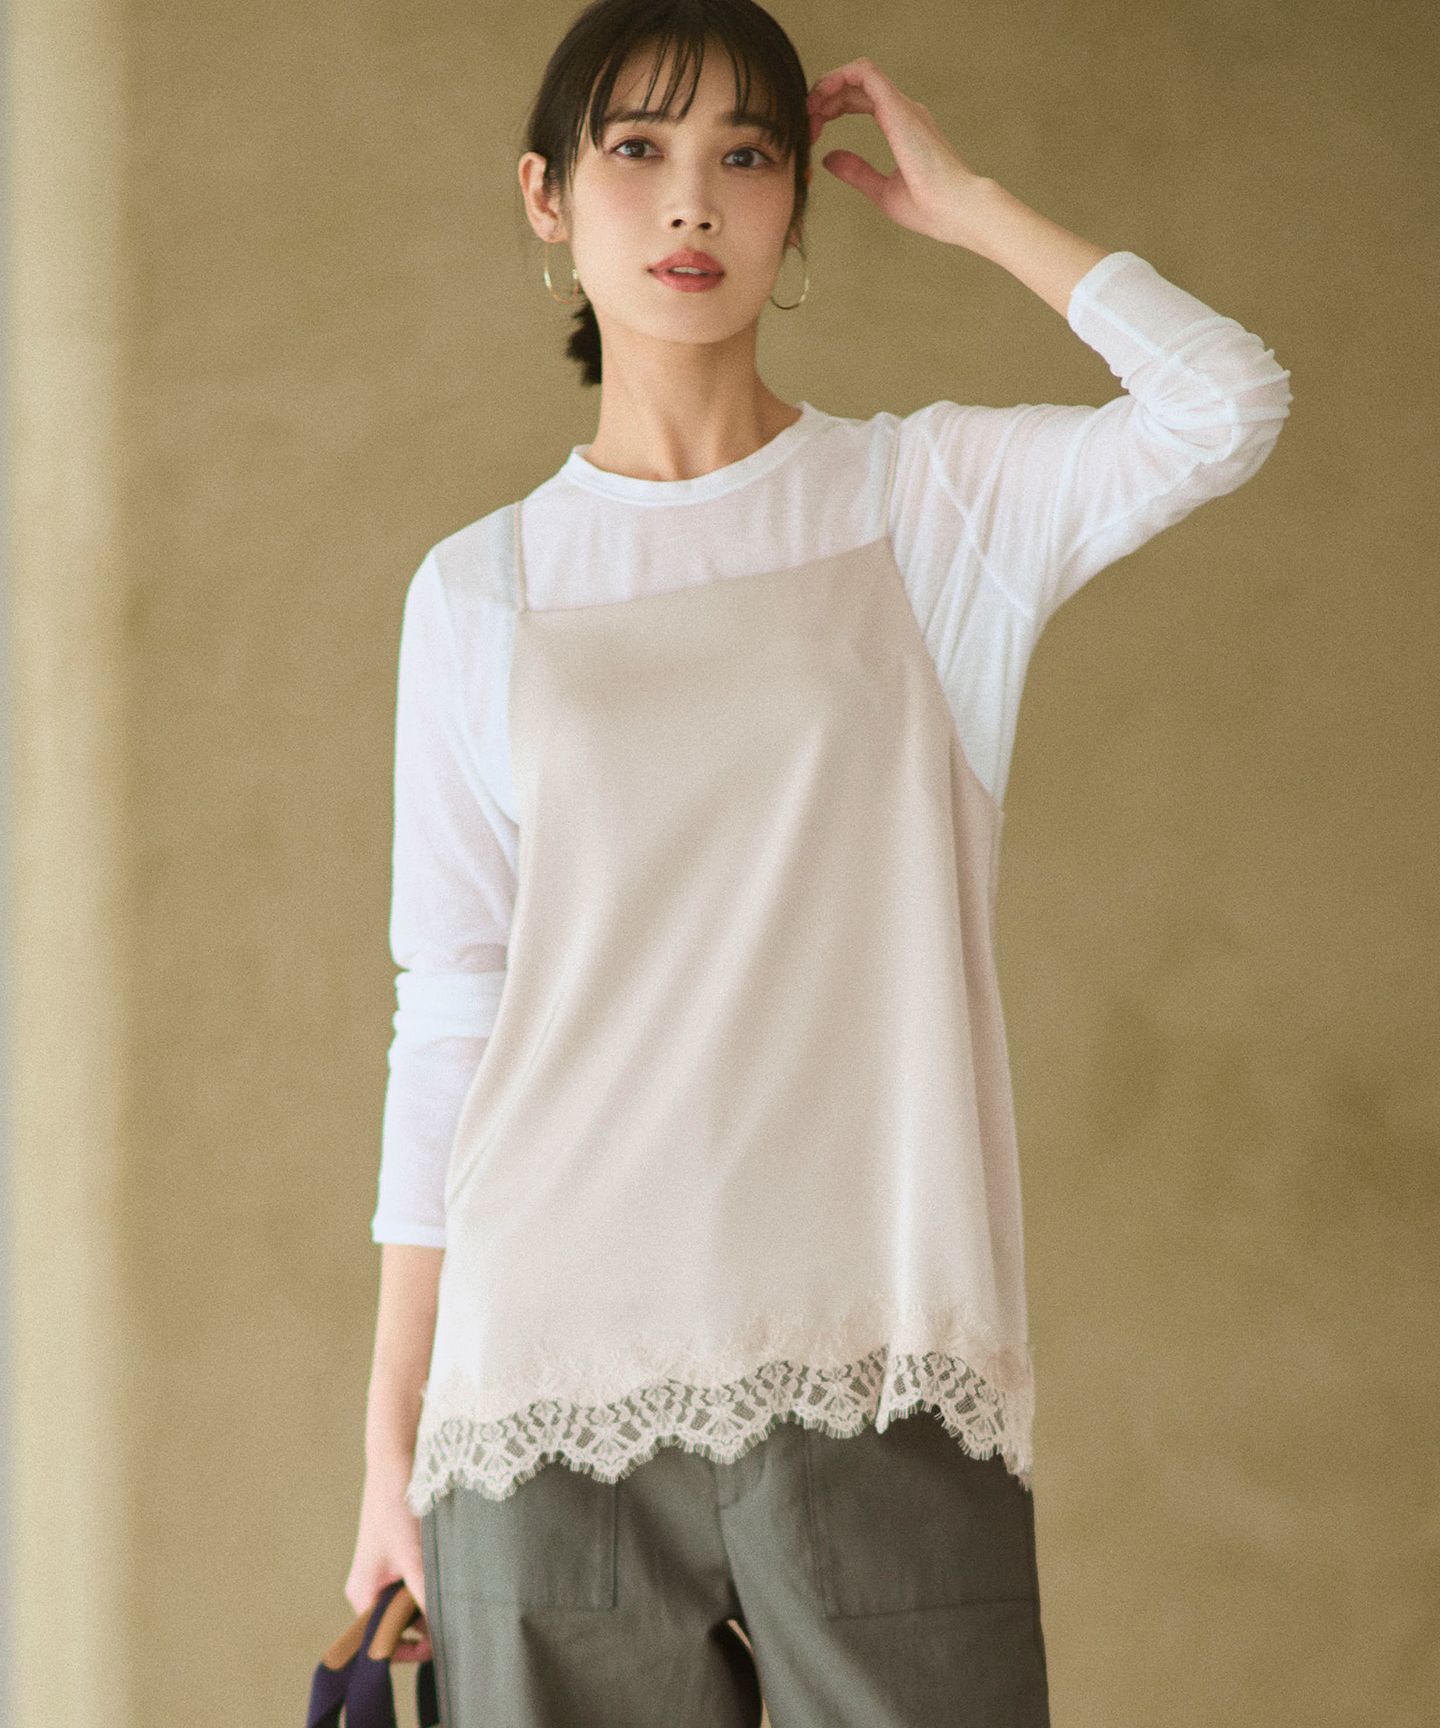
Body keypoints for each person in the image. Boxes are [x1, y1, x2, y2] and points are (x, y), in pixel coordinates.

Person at [345, 2, 1293, 1723]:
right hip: (540, 1393)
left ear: (796, 203)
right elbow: (452, 1015)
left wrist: (974, 207)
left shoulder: (928, 508)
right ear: (547, 196)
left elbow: (1224, 405)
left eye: (746, 155)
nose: (690, 202)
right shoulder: (480, 589)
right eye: (637, 150)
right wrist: (390, 1445)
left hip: (881, 1370)